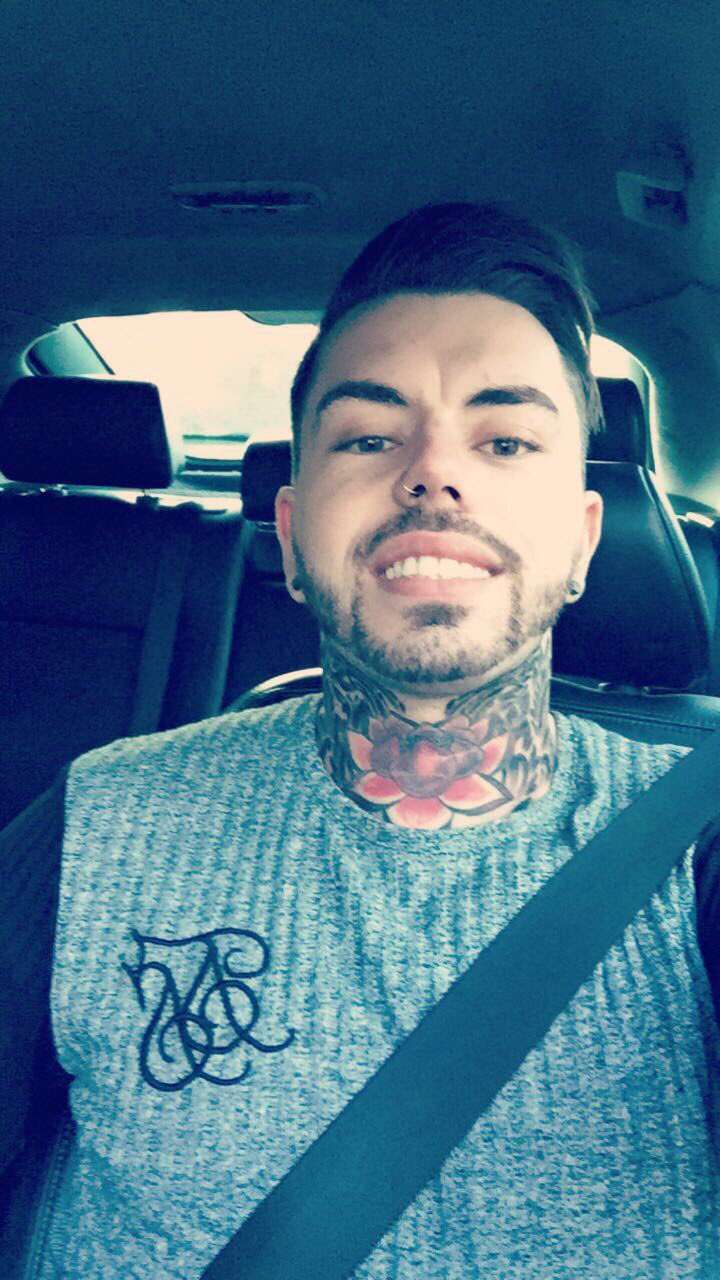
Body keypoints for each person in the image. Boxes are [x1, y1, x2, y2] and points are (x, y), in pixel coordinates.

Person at [1, 201, 719, 1278]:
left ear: (582, 543)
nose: (433, 472)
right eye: (369, 437)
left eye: (506, 440)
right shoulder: (100, 820)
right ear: (293, 539)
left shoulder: (699, 848)